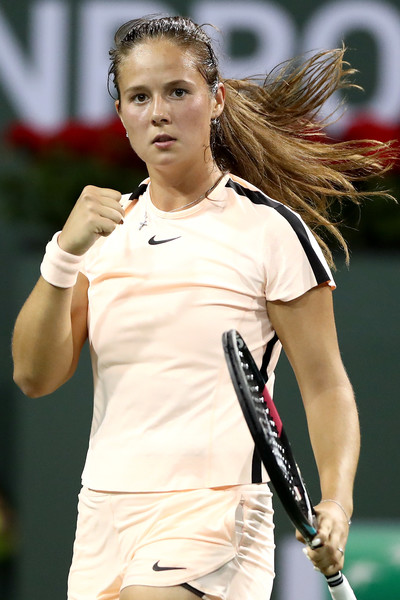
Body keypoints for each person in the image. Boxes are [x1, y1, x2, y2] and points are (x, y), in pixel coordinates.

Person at [12, 15, 394, 600]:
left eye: (177, 92)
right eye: (139, 97)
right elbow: (34, 376)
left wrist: (337, 501)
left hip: (217, 512)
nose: (158, 112)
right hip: (104, 517)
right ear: (122, 117)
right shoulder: (100, 234)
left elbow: (325, 385)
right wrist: (63, 254)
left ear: (214, 100)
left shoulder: (269, 230)